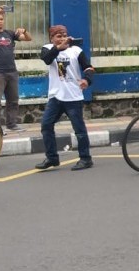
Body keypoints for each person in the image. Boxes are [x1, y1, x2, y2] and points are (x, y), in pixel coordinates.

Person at [34, 25, 95, 171]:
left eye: (64, 35)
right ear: (52, 38)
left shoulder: (76, 50)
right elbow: (47, 60)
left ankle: (86, 159)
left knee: (79, 130)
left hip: (73, 96)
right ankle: (52, 158)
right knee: (46, 126)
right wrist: (59, 47)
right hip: (56, 96)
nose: (62, 38)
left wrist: (87, 79)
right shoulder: (47, 48)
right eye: (58, 36)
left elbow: (88, 67)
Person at [0, 6, 32, 132]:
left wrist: (24, 31)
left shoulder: (9, 34)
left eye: (1, 19)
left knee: (13, 100)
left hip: (11, 72)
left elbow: (29, 39)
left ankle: (11, 124)